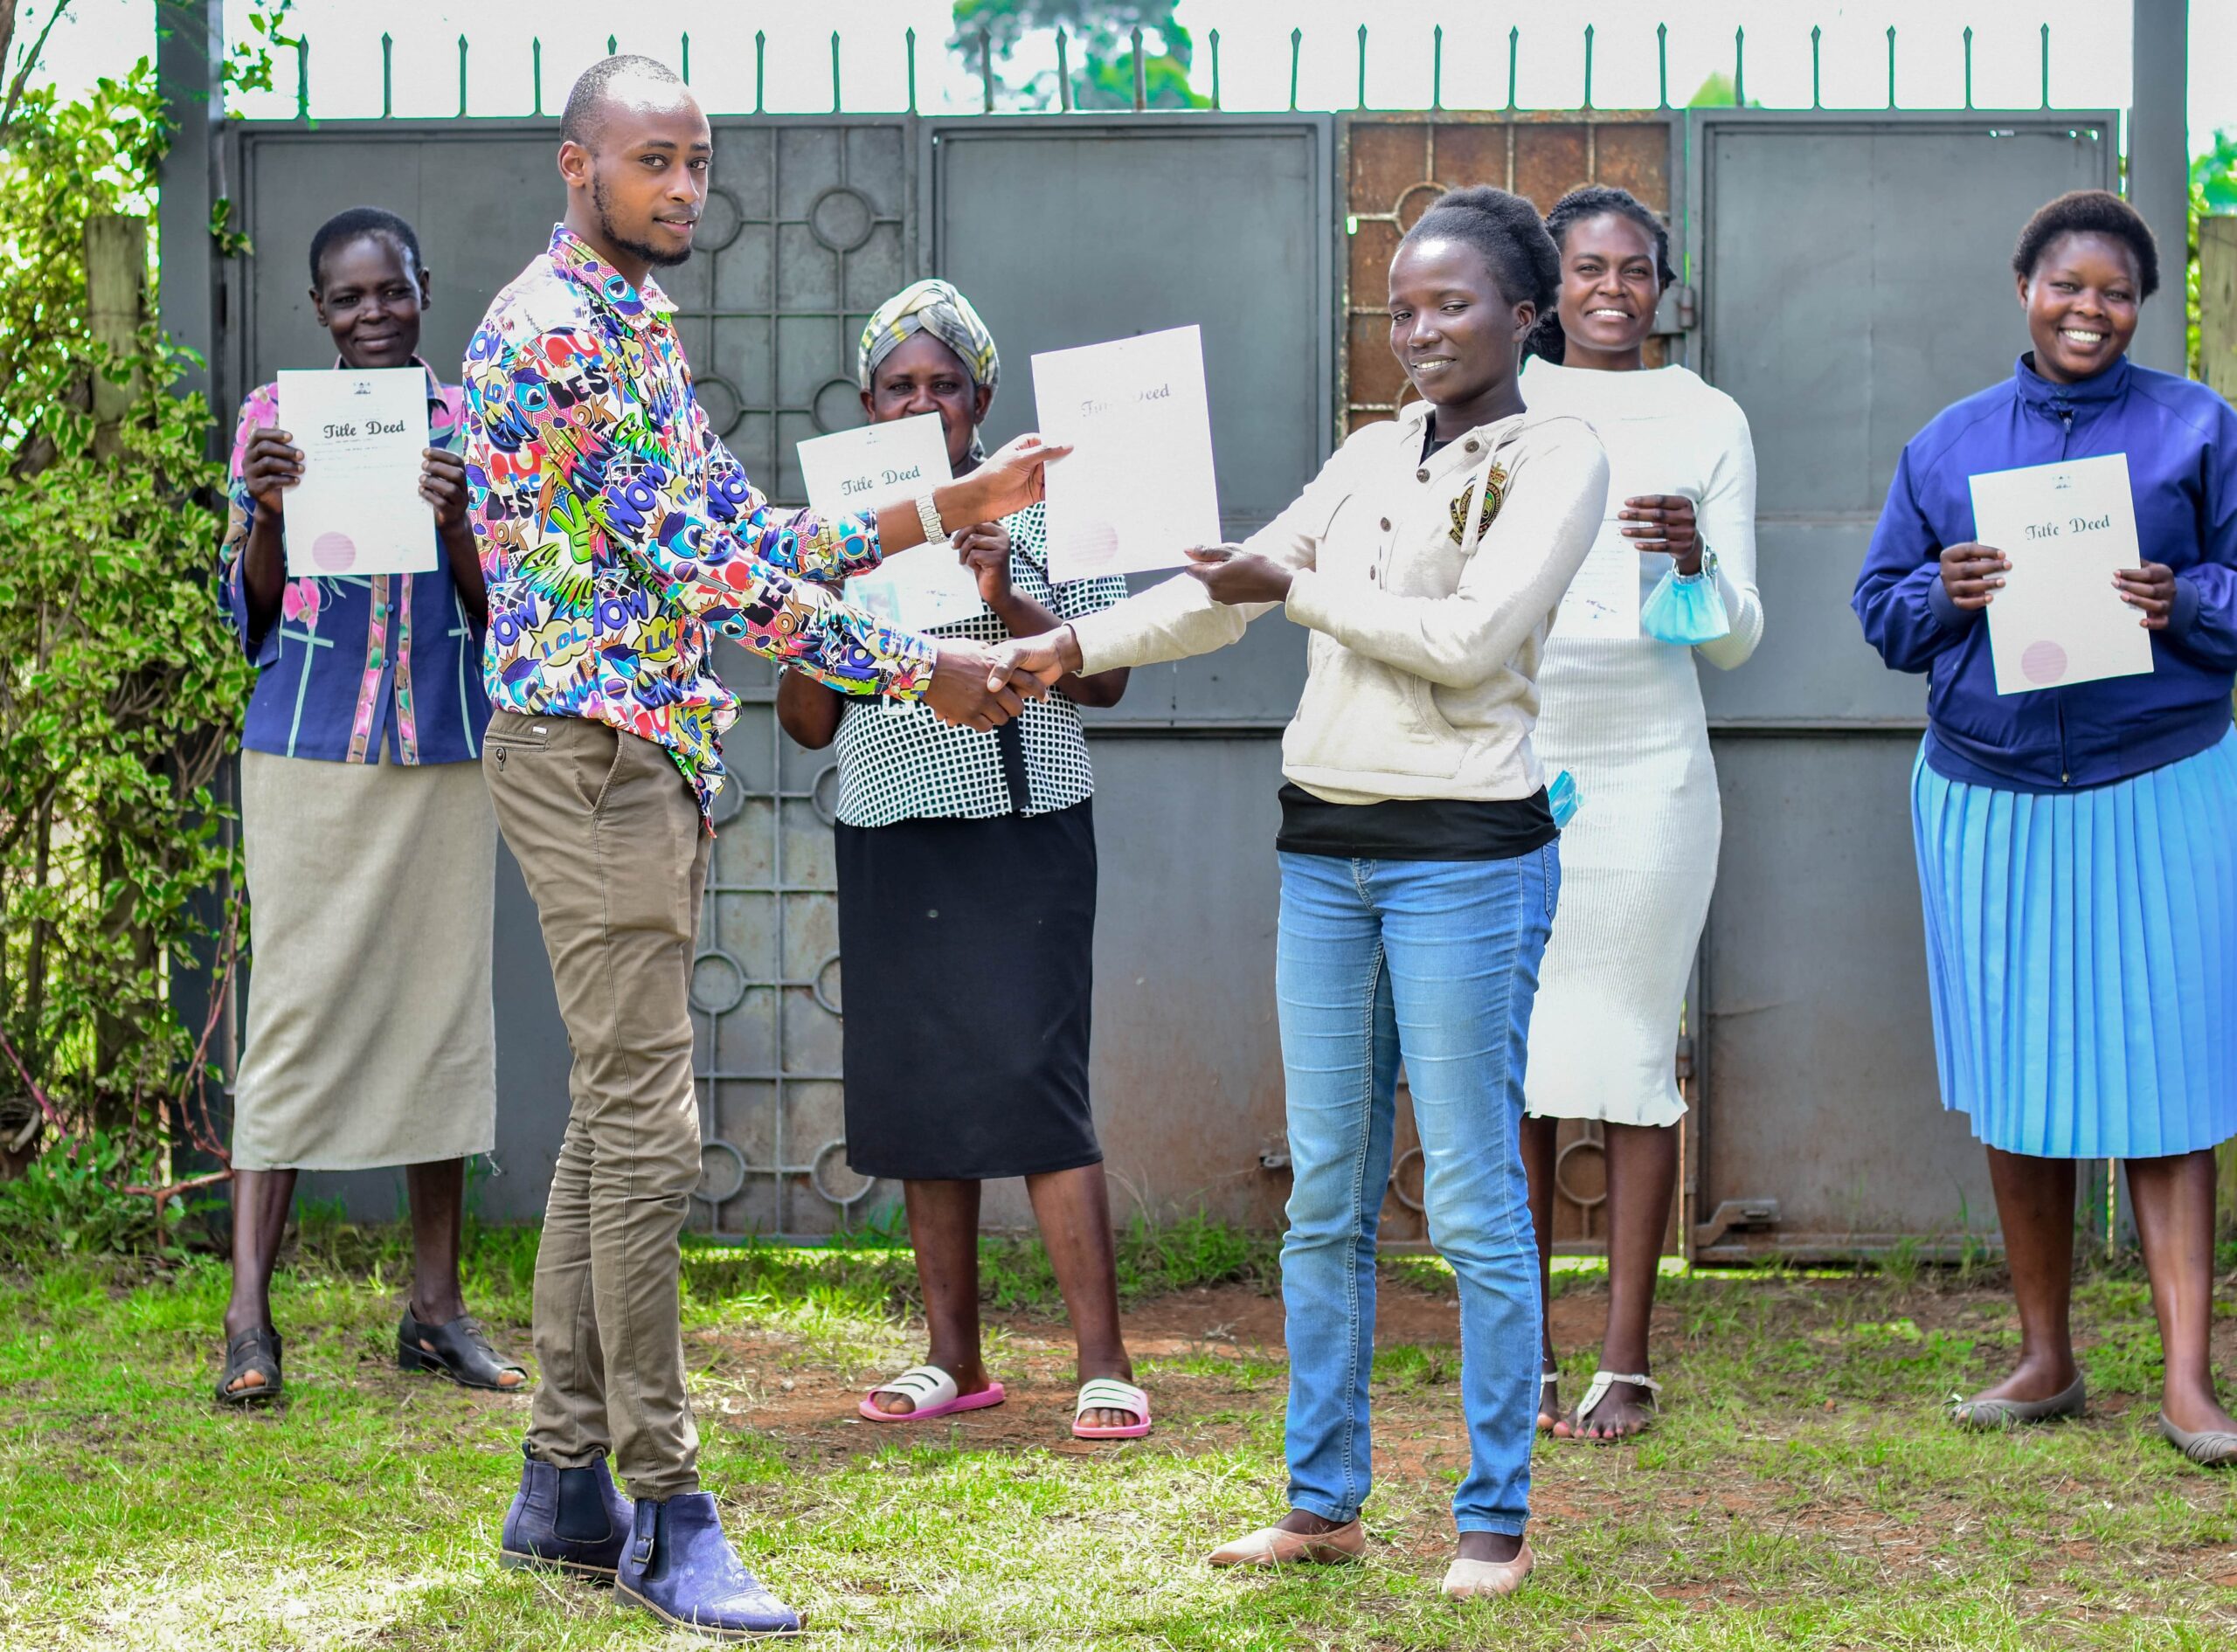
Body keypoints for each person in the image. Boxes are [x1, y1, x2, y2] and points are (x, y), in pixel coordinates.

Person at [464, 58, 1062, 1640]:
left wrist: (948, 511)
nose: (684, 189)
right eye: (653, 161)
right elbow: (710, 583)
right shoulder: (551, 333)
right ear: (578, 162)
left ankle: (562, 1487)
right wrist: (916, 666)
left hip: (639, 756)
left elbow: (739, 535)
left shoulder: (629, 326)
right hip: (587, 760)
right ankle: (665, 1507)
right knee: (650, 1133)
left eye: (697, 163)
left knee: (613, 1127)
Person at [991, 185, 1609, 1598]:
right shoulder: (1371, 451)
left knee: (1468, 1191)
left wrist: (1299, 586)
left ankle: (1493, 1516)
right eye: (1403, 307)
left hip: (1467, 858)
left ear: (1530, 311)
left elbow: (1465, 642)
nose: (1425, 330)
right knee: (1323, 1193)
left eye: (1455, 304)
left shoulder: (1562, 452)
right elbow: (1224, 594)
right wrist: (1053, 649)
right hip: (1325, 852)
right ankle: (1321, 1497)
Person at [1853, 190, 2237, 1468]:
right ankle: (2046, 1358)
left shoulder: (2198, 427)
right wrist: (1945, 591)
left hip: (2159, 781)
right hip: (1991, 792)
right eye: (2066, 285)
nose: (2091, 309)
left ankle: (2188, 1379)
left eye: (2117, 292)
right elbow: (1883, 611)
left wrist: (2185, 596)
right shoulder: (1950, 445)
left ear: (2143, 305)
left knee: (2172, 1074)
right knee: (2026, 1074)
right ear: (2023, 286)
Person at [775, 280, 1146, 1441]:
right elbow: (805, 724)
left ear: (982, 395)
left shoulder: (1049, 499)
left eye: (946, 383)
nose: (924, 402)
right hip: (890, 822)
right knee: (920, 1084)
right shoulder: (848, 523)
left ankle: (1104, 1361)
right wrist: (820, 602)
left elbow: (1108, 676)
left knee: (1038, 1082)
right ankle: (955, 1357)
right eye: (901, 385)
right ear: (870, 401)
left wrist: (1004, 588)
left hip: (1022, 823)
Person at [212, 206, 523, 1408]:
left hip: (442, 748)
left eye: (388, 290)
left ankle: (435, 1310)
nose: (371, 314)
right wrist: (272, 512)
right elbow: (249, 608)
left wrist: (456, 520)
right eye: (346, 300)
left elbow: (509, 612)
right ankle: (248, 1310)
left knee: (437, 1008)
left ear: (424, 285)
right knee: (291, 1007)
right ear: (320, 312)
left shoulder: (475, 427)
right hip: (304, 749)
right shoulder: (272, 424)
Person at [1514, 185, 1764, 1441]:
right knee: (1510, 1056)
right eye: (1586, 269)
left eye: (1634, 270)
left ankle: (1623, 1355)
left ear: (1666, 284)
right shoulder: (1500, 400)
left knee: (1624, 1052)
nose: (1610, 290)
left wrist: (1691, 565)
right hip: (1512, 752)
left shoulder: (1707, 417)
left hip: (1653, 762)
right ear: (1548, 286)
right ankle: (1524, 1353)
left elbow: (1732, 642)